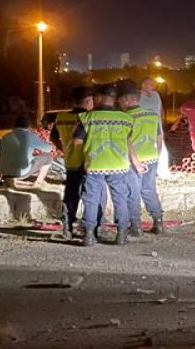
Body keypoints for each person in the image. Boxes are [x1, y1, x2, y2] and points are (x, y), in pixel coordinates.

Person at [72, 84, 144, 247]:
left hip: (94, 165)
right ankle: (121, 235)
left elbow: (77, 141)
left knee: (91, 199)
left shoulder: (88, 118)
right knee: (120, 199)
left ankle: (89, 235)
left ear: (99, 97)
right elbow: (127, 142)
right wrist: (135, 161)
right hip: (119, 166)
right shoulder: (126, 119)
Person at [117, 80, 165, 236]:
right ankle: (158, 222)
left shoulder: (126, 117)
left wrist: (135, 161)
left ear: (127, 99)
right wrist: (156, 155)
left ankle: (135, 226)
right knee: (149, 189)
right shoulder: (152, 114)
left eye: (120, 101)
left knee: (133, 192)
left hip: (134, 161)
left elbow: (127, 141)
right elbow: (159, 137)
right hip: (152, 158)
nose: (120, 105)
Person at [50, 86, 93, 239]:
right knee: (90, 194)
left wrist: (63, 148)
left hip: (69, 161)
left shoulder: (60, 117)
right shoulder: (88, 117)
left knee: (70, 194)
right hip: (86, 162)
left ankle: (67, 226)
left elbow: (53, 137)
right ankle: (88, 227)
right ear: (88, 100)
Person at [0, 114, 55, 187]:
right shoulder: (30, 136)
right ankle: (38, 182)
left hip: (4, 172)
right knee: (48, 156)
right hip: (21, 172)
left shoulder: (6, 136)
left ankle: (6, 178)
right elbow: (48, 148)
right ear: (29, 126)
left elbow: (0, 155)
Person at [139, 77, 171, 179]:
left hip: (156, 125)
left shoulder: (156, 95)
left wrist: (161, 123)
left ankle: (162, 171)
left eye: (154, 85)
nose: (153, 87)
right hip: (143, 127)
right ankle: (144, 170)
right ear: (143, 85)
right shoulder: (137, 95)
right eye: (150, 84)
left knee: (161, 148)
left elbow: (160, 110)